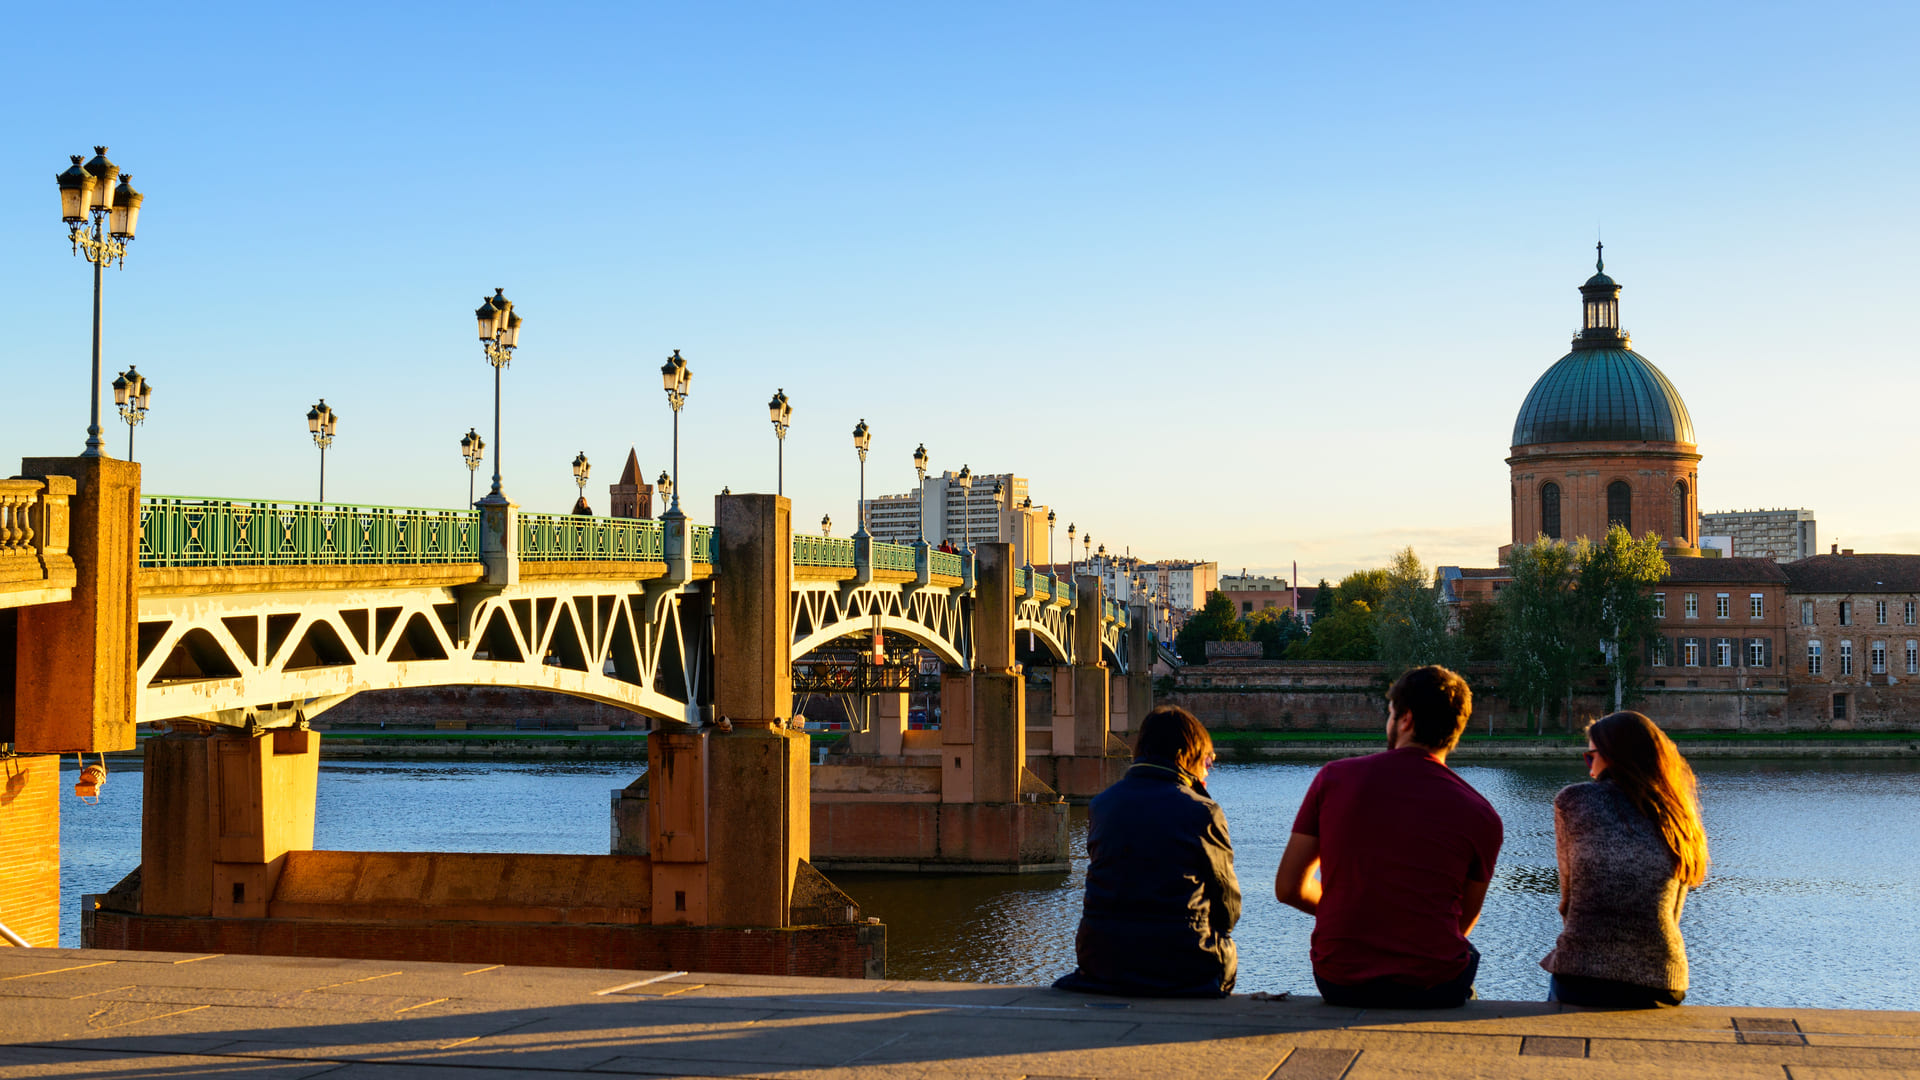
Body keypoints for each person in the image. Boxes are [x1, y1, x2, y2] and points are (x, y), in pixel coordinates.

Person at [1274, 665, 1502, 1008]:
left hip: (1339, 979)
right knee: (1463, 960)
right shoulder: (1482, 814)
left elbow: (1289, 888)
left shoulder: (1334, 779)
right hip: (1432, 984)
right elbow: (1461, 921)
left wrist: (1353, 911)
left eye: (1391, 713)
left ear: (1405, 720)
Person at [1054, 705, 1240, 998]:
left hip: (1102, 961)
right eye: (1208, 760)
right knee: (1224, 949)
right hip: (1183, 964)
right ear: (1185, 756)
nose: (1208, 769)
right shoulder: (1203, 812)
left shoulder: (1102, 805)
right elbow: (1228, 910)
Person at [1541, 710, 1708, 1008]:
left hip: (1582, 976)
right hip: (1662, 979)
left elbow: (1569, 900)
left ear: (1612, 757)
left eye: (1591, 757)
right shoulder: (1679, 814)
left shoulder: (1573, 801)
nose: (1589, 769)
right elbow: (1673, 910)